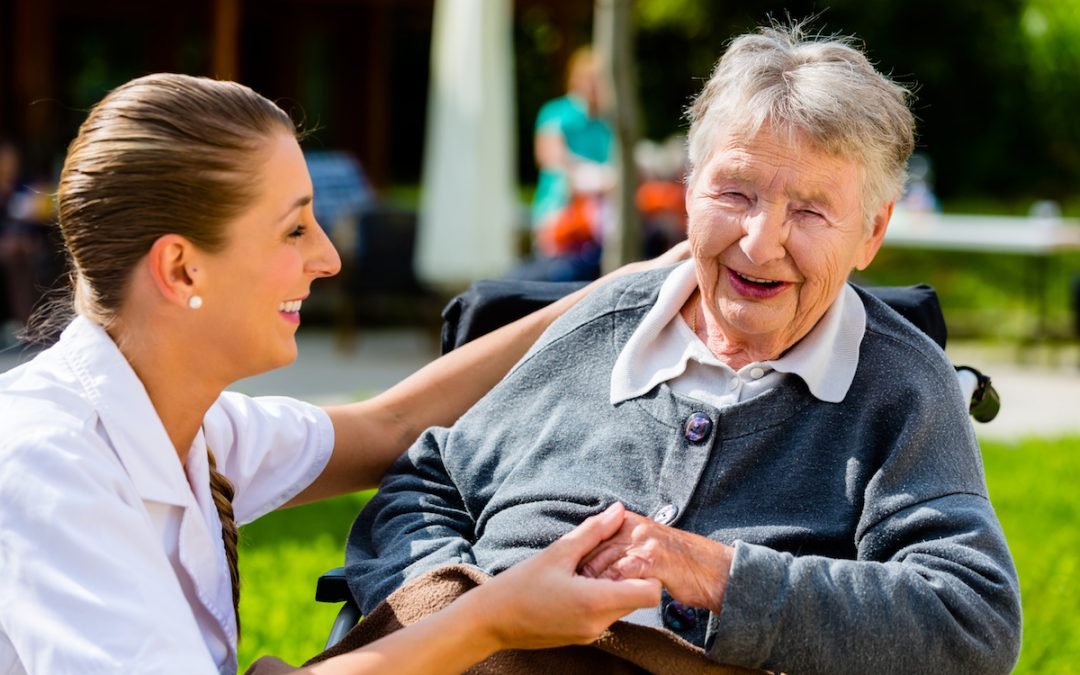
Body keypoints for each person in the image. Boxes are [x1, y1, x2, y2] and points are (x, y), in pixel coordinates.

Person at [344, 24, 1022, 674]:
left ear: (872, 232)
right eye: (735, 191)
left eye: (810, 211)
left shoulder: (899, 385)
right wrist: (446, 614)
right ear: (689, 189)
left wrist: (717, 576)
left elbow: (972, 619)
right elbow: (426, 479)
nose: (760, 242)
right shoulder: (601, 326)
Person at [0, 73, 683, 675]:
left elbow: (391, 424)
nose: (327, 258)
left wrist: (628, 288)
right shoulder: (50, 465)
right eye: (294, 230)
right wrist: (492, 616)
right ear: (182, 270)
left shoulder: (189, 424)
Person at [519, 46, 615, 282]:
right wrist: (596, 176)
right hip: (560, 210)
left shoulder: (608, 122)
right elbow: (550, 156)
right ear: (577, 79)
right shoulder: (556, 113)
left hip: (599, 217)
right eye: (592, 79)